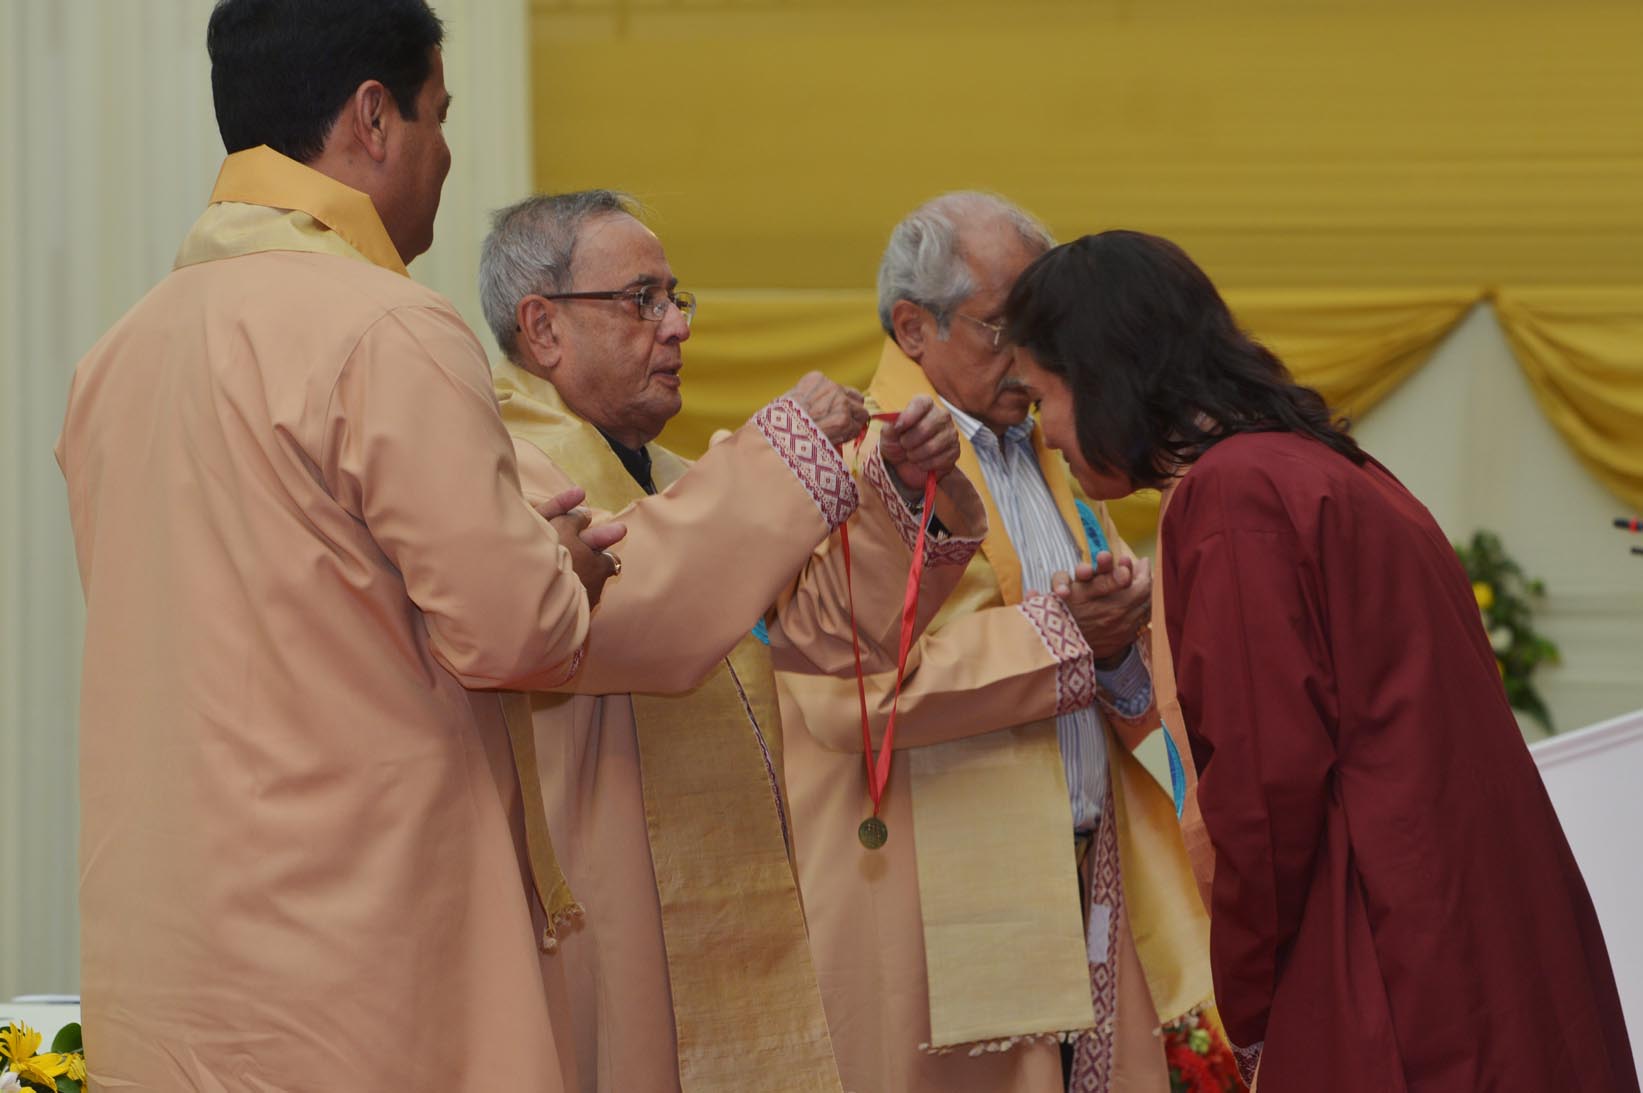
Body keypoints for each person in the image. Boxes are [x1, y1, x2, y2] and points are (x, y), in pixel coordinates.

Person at [54, 2, 623, 1087]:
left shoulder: (117, 355)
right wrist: (567, 569)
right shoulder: (383, 325)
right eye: (438, 116)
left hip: (170, 963)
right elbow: (517, 633)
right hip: (359, 960)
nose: (447, 154)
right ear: (374, 116)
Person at [1004, 228, 1640, 1092]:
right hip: (1482, 932)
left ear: (1102, 373)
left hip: (1390, 957)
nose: (1047, 434)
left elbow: (1265, 792)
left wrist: (1255, 1003)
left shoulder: (1234, 496)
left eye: (1044, 397)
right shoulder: (1330, 467)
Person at [477, 191, 986, 1092]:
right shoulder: (496, 466)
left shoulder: (685, 479)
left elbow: (829, 638)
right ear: (542, 327)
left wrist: (901, 493)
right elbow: (635, 623)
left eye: (677, 298)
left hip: (730, 895)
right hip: (598, 901)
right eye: (642, 299)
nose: (675, 327)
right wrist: (781, 455)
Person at [776, 193, 1224, 1093]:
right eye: (1001, 330)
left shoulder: (1054, 450)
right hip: (925, 897)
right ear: (912, 326)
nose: (1027, 359)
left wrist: (1113, 640)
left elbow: (1099, 670)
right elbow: (847, 691)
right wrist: (1067, 635)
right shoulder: (865, 463)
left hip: (1084, 872)